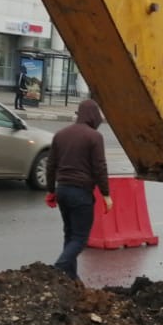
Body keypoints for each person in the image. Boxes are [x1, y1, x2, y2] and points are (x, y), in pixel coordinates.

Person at [44, 99, 112, 280]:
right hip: (81, 193)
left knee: (69, 235)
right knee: (80, 238)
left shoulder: (60, 134)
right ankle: (58, 269)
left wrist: (51, 191)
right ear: (94, 116)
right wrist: (106, 194)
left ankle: (71, 278)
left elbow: (51, 166)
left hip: (62, 191)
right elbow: (99, 167)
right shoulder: (94, 137)